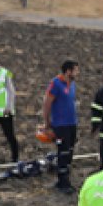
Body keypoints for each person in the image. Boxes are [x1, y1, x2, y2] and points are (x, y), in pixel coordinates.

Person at [43, 60, 81, 192]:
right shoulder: (56, 83)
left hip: (71, 124)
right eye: (76, 70)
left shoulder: (72, 84)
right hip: (60, 125)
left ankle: (65, 179)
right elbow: (47, 103)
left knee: (69, 152)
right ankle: (62, 182)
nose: (78, 73)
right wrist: (47, 123)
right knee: (63, 152)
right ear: (68, 71)